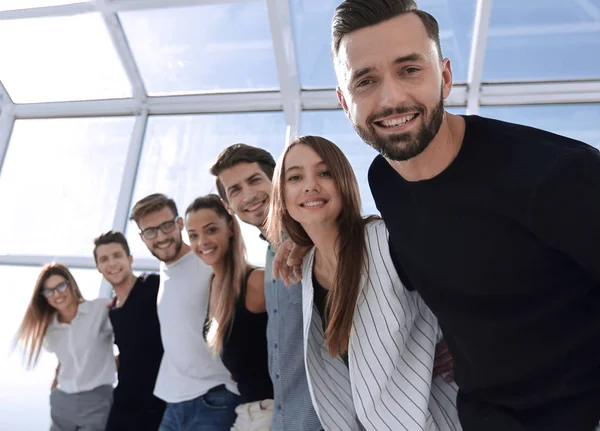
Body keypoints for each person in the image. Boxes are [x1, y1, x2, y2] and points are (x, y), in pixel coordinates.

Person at [295, 0, 600, 429]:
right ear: (346, 103)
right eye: (366, 81)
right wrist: (308, 240)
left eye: (410, 69)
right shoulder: (384, 179)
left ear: (446, 77)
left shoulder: (556, 174)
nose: (391, 98)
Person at [267, 135, 460, 431]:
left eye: (324, 173)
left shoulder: (386, 239)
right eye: (295, 177)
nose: (310, 185)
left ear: (343, 182)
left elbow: (474, 284)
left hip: (441, 417)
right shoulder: (305, 270)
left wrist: (460, 344)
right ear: (282, 194)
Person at [210, 144, 323, 431]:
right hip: (289, 416)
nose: (248, 195)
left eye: (254, 180)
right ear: (227, 206)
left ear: (276, 181)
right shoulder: (270, 256)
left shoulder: (314, 233)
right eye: (234, 190)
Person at [130, 193, 240, 431]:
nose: (160, 237)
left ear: (179, 224)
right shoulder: (165, 270)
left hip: (215, 397)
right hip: (175, 400)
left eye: (166, 226)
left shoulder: (208, 261)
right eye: (150, 231)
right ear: (142, 237)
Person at [185, 194, 274, 430]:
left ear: (230, 229)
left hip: (273, 410)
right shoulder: (214, 284)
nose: (202, 241)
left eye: (211, 230)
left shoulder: (255, 281)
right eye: (193, 235)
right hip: (247, 410)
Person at [14, 263, 115, 431]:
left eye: (61, 286)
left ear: (71, 284)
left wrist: (116, 362)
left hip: (96, 400)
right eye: (49, 291)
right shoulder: (50, 330)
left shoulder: (100, 309)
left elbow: (129, 337)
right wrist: (55, 391)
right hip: (62, 400)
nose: (57, 294)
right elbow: (67, 359)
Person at [93, 231, 166, 430]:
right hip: (125, 402)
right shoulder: (113, 311)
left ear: (130, 259)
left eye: (117, 255)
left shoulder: (153, 286)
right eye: (104, 259)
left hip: (158, 402)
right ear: (98, 267)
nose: (112, 263)